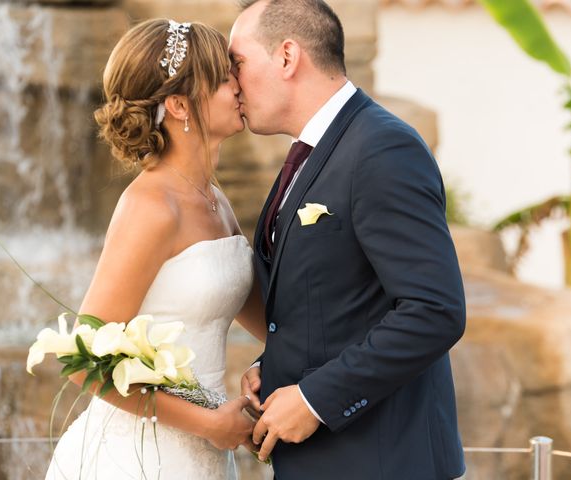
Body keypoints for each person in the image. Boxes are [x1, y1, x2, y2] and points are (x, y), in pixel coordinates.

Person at [231, 1, 466, 478]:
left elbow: (434, 311)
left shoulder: (382, 147)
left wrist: (316, 399)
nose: (232, 82)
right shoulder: (311, 152)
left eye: (238, 62)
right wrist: (274, 364)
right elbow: (338, 297)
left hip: (380, 461)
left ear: (287, 57)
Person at [45, 18, 267, 479]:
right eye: (226, 78)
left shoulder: (214, 198)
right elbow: (83, 361)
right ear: (181, 104)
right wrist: (208, 423)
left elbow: (264, 318)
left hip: (204, 453)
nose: (240, 86)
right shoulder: (152, 206)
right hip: (140, 458)